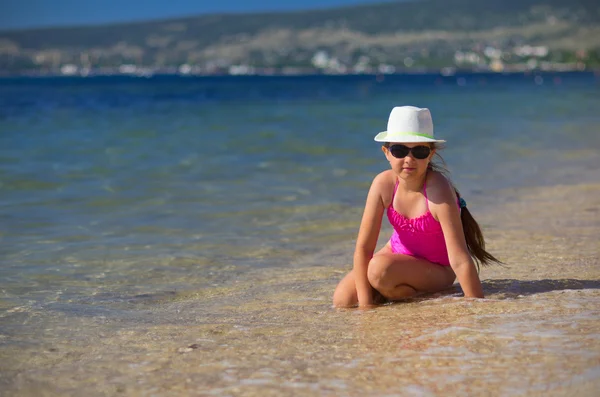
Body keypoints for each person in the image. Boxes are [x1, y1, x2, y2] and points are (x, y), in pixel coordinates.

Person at [333, 106, 502, 308]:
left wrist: (476, 307)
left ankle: (400, 292)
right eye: (399, 150)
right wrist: (365, 308)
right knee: (343, 300)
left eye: (419, 151)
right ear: (386, 152)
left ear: (430, 154)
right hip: (396, 257)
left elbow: (459, 257)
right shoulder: (383, 184)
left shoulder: (438, 189)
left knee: (379, 271)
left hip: (437, 270)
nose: (409, 159)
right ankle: (393, 292)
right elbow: (363, 248)